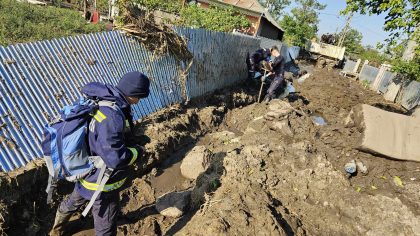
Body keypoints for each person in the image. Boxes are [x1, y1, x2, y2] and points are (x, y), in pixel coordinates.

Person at [49, 71, 150, 236]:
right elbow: (115, 158)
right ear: (133, 94)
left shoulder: (105, 102)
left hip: (86, 170)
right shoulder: (113, 116)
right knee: (106, 227)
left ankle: (56, 230)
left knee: (74, 200)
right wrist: (137, 152)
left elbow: (104, 136)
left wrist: (134, 138)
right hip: (103, 182)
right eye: (139, 97)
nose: (138, 101)